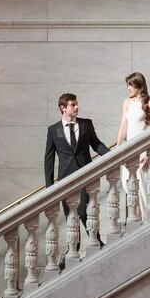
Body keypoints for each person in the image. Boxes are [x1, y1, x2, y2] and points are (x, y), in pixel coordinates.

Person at [44, 93, 110, 248]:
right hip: (65, 180)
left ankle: (96, 242)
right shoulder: (54, 130)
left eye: (76, 104)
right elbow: (49, 160)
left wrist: (112, 154)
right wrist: (49, 188)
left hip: (85, 175)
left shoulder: (86, 124)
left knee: (83, 210)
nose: (77, 107)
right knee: (70, 217)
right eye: (73, 105)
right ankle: (74, 248)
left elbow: (97, 145)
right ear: (63, 108)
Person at [116, 71, 150, 221]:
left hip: (142, 150)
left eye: (130, 85)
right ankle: (138, 221)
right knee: (129, 186)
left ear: (138, 85)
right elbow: (123, 126)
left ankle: (143, 222)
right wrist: (118, 147)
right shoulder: (127, 103)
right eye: (127, 85)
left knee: (142, 189)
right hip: (128, 150)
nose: (128, 88)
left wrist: (147, 152)